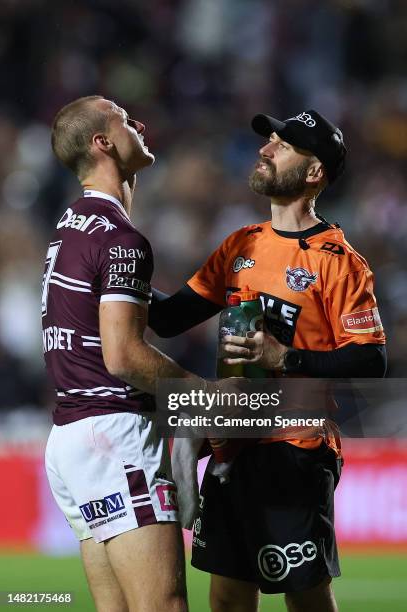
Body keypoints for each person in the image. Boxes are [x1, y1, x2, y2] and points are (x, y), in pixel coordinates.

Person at [149, 109, 387, 612]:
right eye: (269, 141)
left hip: (295, 450)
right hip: (233, 448)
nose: (265, 149)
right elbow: (169, 319)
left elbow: (370, 362)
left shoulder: (338, 261)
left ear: (315, 171)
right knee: (228, 599)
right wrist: (111, 271)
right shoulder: (241, 244)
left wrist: (288, 356)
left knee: (305, 598)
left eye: (282, 145)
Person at [43, 95, 207, 612]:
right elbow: (122, 355)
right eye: (122, 117)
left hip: (70, 440)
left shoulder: (69, 227)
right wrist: (202, 396)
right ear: (104, 142)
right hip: (114, 437)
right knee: (163, 606)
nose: (139, 122)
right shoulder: (120, 238)